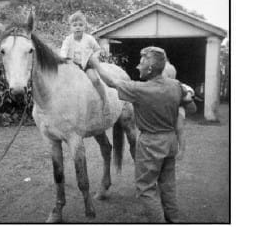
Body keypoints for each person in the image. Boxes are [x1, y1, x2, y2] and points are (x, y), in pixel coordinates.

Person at [90, 46, 196, 223]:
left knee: (146, 188)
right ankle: (174, 219)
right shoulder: (176, 85)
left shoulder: (140, 89)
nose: (138, 67)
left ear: (149, 69)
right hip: (170, 141)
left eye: (140, 64)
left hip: (151, 144)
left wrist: (95, 64)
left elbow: (111, 82)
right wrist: (186, 97)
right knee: (167, 184)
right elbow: (191, 108)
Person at [60, 11, 110, 115]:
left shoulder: (89, 39)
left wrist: (94, 56)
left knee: (95, 80)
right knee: (67, 83)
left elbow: (97, 49)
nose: (78, 27)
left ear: (84, 27)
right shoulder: (68, 40)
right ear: (71, 27)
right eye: (75, 25)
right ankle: (66, 105)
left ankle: (105, 101)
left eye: (80, 25)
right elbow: (63, 52)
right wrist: (64, 59)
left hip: (86, 63)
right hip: (73, 65)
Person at [162, 58, 197, 160]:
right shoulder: (159, 87)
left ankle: (181, 149)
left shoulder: (178, 85)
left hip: (178, 107)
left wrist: (188, 95)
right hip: (166, 109)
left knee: (179, 127)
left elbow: (189, 90)